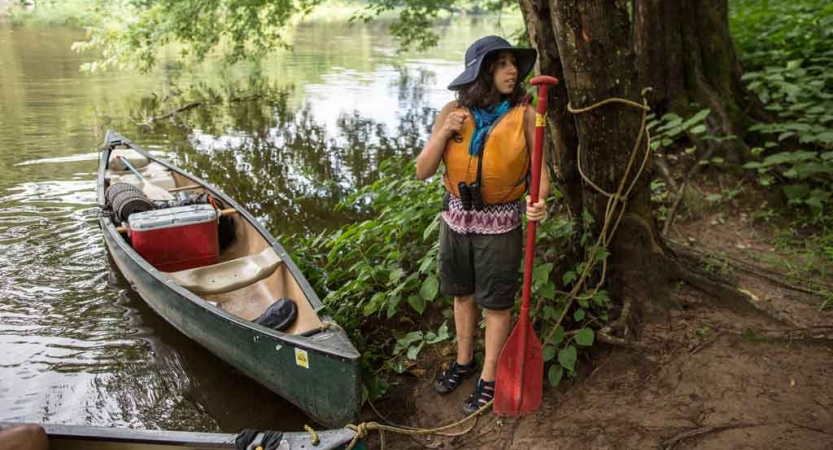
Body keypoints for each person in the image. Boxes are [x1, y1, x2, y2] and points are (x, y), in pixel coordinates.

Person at [416, 35, 550, 414]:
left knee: (495, 304)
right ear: (482, 71)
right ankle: (463, 362)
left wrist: (537, 203)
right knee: (461, 294)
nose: (512, 71)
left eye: (513, 64)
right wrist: (443, 132)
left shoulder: (524, 115)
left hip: (501, 222)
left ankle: (490, 376)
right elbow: (423, 171)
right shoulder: (452, 112)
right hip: (456, 218)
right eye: (502, 63)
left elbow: (541, 180)